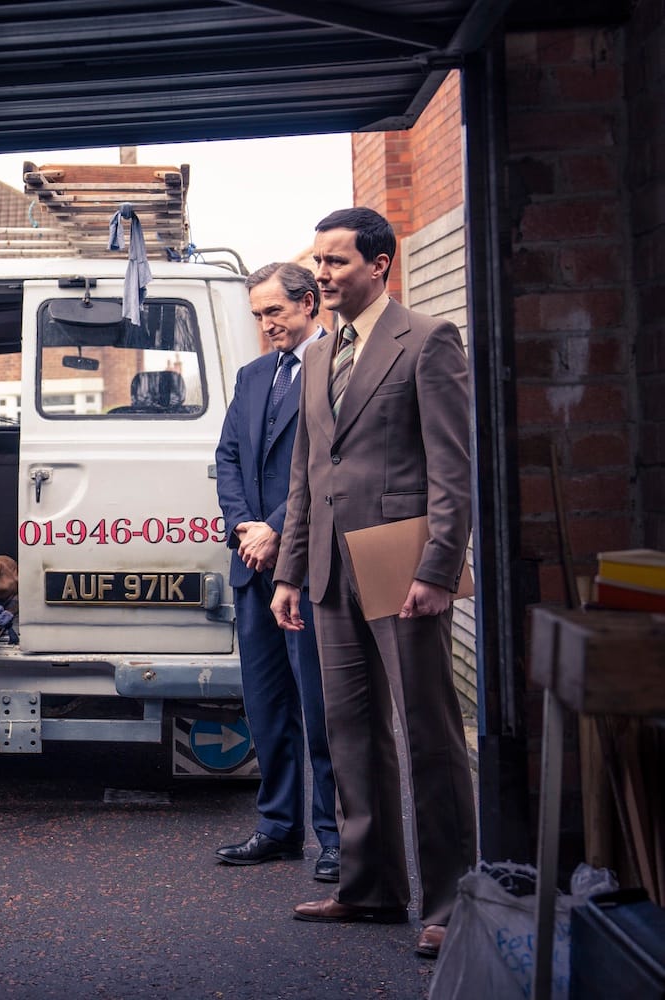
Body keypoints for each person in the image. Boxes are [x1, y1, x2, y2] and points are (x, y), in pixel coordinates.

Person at [270, 208, 476, 960]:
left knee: (427, 734)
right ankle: (371, 886)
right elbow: (305, 476)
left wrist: (438, 567)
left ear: (379, 265)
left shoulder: (428, 340)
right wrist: (291, 571)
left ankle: (455, 902)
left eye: (336, 263)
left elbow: (454, 471)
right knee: (350, 732)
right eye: (317, 263)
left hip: (400, 558)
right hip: (327, 566)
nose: (320, 276)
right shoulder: (320, 355)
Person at [213, 262, 339, 881]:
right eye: (258, 316)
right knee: (266, 705)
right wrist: (244, 527)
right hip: (252, 562)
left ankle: (336, 838)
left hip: (310, 562)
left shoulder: (337, 364)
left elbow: (330, 465)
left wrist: (276, 528)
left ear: (309, 303)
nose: (266, 326)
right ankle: (279, 827)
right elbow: (229, 455)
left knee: (320, 707)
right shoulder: (253, 374)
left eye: (275, 313)